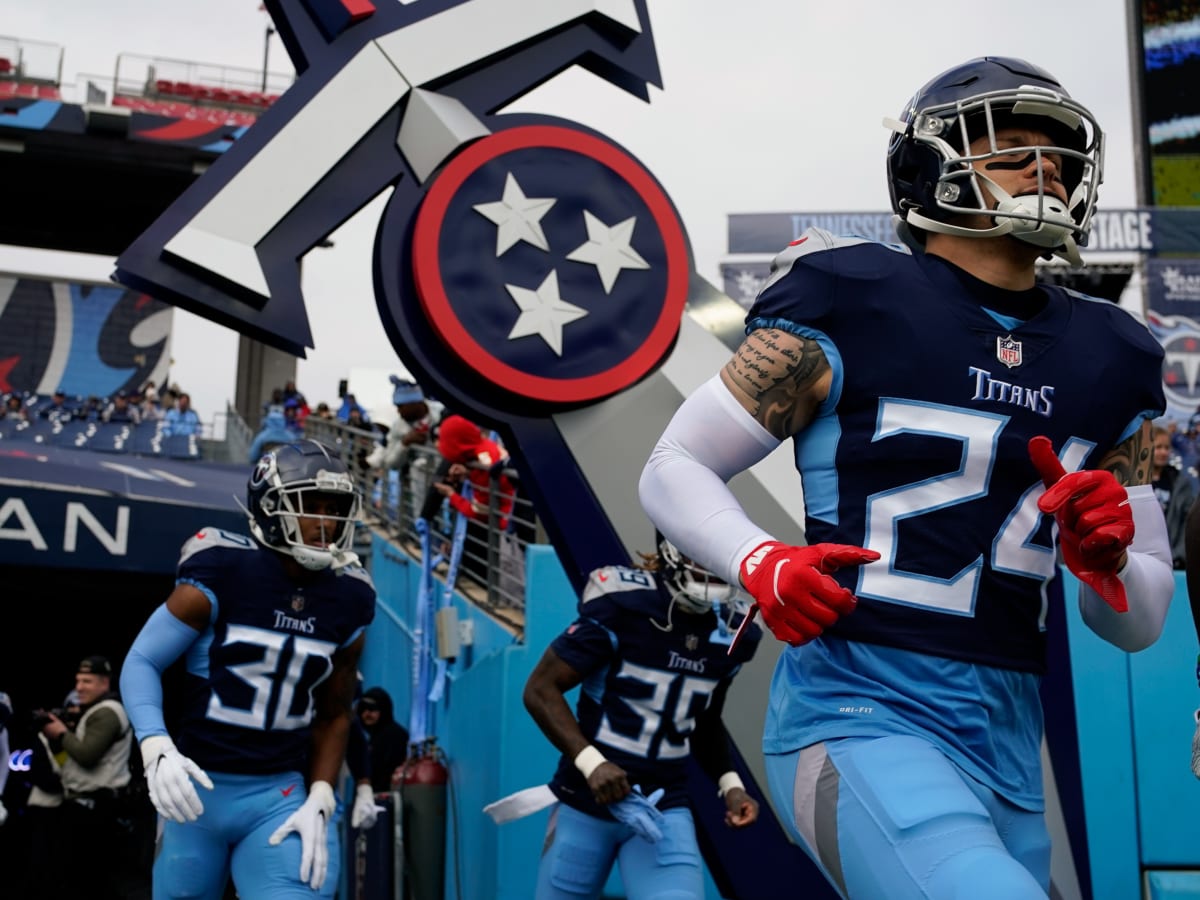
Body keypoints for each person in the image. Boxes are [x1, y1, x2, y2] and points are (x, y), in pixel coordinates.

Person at [638, 57, 1173, 899]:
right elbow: (675, 465)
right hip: (856, 714)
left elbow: (1138, 625)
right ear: (928, 165)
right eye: (1012, 145)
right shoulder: (853, 296)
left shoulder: (1116, 354)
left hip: (1007, 742)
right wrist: (761, 560)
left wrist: (1107, 563)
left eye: (1059, 152)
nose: (1045, 166)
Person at [120, 438, 377, 898]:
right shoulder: (222, 570)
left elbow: (335, 711)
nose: (326, 523)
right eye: (310, 506)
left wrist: (322, 790)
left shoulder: (351, 597)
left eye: (335, 508)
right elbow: (143, 660)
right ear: (272, 508)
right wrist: (155, 743)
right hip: (196, 789)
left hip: (279, 796)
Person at [519, 534, 761, 899]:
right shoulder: (625, 606)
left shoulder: (733, 630)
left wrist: (730, 784)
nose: (712, 567)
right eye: (702, 553)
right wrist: (592, 763)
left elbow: (704, 717)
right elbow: (540, 689)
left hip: (663, 806)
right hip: (585, 802)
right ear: (672, 549)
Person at [38, 656, 146, 900]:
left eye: (87, 681)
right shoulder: (91, 712)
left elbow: (87, 755)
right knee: (75, 877)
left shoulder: (108, 711)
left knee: (93, 880)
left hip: (97, 807)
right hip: (80, 803)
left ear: (104, 683)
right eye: (78, 681)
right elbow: (70, 763)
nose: (79, 687)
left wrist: (62, 732)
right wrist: (56, 740)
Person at [1152, 424, 1195, 569]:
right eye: (1158, 447)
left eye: (1166, 447)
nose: (1163, 452)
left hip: (1173, 560)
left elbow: (1187, 522)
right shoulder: (1135, 483)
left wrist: (1179, 555)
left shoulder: (1180, 482)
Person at [357, 687, 410, 794]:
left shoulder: (395, 735)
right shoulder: (372, 737)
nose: (367, 714)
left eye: (372, 709)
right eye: (363, 709)